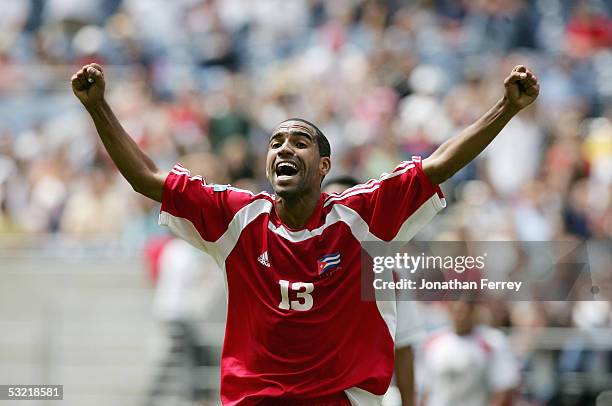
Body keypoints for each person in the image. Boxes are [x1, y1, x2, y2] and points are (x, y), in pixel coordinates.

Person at [71, 63, 539, 405]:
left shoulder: (362, 216)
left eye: (299, 141)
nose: (284, 148)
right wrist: (98, 108)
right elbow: (148, 180)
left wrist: (505, 107)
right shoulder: (237, 218)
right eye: (276, 142)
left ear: (325, 166)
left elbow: (438, 166)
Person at [419, 301, 520, 406]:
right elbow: (426, 389)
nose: (459, 316)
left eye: (463, 311)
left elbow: (503, 388)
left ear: (473, 311)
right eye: (455, 310)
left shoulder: (493, 341)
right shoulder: (433, 342)